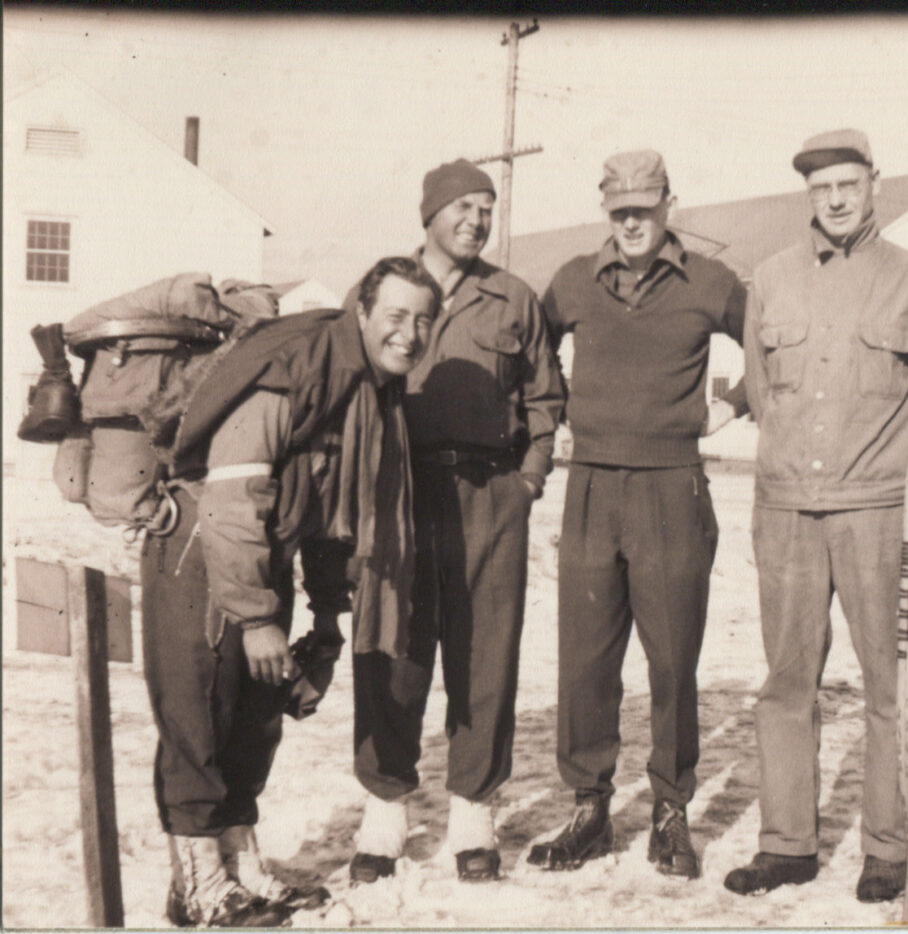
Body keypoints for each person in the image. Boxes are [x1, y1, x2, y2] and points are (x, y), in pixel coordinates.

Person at [144, 256, 440, 926]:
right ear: (362, 311)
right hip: (203, 548)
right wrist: (256, 618)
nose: (411, 334)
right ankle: (197, 887)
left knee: (255, 717)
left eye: (424, 320)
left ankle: (240, 871)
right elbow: (232, 497)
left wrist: (328, 619)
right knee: (202, 716)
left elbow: (331, 512)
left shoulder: (367, 388)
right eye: (397, 315)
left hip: (258, 557)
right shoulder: (301, 367)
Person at [726, 129, 908, 901]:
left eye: (848, 185)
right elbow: (763, 395)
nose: (834, 200)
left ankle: (888, 849)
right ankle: (787, 845)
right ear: (809, 193)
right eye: (821, 187)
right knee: (786, 683)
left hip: (879, 515)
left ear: (874, 185)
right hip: (788, 511)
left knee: (886, 684)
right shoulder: (770, 278)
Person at [527, 149, 748, 880]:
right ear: (606, 210)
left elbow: (773, 343)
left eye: (644, 207)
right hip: (591, 484)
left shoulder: (709, 282)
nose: (631, 221)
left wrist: (734, 405)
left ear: (667, 205)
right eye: (618, 208)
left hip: (671, 488)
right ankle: (589, 807)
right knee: (586, 658)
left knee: (672, 658)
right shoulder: (572, 281)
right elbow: (533, 344)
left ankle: (670, 810)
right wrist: (553, 408)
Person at [345, 159, 564, 883]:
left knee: (484, 652)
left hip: (488, 495)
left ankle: (474, 808)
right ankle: (385, 807)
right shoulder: (385, 289)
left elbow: (545, 399)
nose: (475, 219)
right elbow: (347, 383)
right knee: (395, 645)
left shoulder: (514, 298)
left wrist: (528, 480)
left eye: (486, 207)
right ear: (429, 213)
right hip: (400, 492)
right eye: (462, 206)